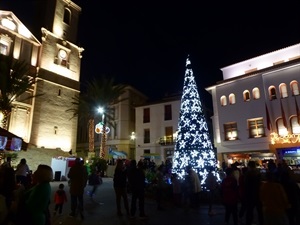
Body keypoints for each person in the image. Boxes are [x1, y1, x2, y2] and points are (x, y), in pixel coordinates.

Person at [244, 161, 264, 225]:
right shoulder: (258, 173)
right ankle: (261, 222)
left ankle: (249, 222)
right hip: (258, 194)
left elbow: (246, 185)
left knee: (249, 211)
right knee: (260, 211)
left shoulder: (247, 174)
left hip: (250, 194)